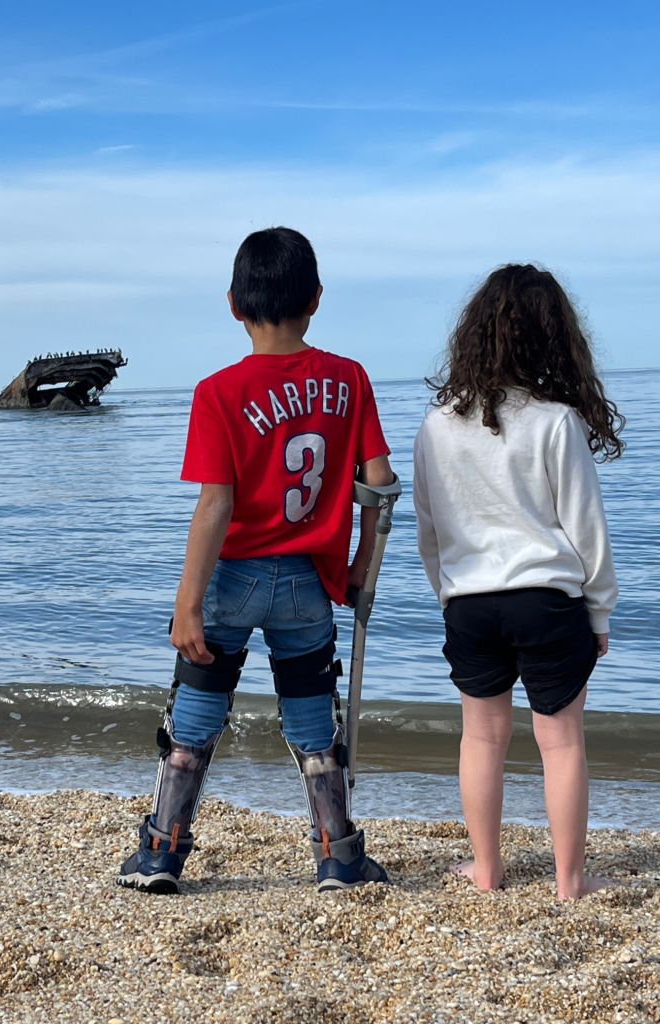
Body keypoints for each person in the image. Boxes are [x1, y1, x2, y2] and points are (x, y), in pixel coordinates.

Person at [119, 227, 395, 894]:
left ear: (233, 304)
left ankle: (161, 852)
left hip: (232, 579)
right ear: (317, 299)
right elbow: (378, 484)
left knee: (193, 722)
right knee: (312, 727)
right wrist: (360, 565)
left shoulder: (219, 392)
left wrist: (187, 603)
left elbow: (216, 505)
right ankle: (338, 856)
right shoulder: (348, 379)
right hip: (307, 579)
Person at [413, 264, 625, 900]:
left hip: (469, 602)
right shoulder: (555, 421)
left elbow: (431, 528)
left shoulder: (436, 425)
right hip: (545, 599)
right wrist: (600, 611)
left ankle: (487, 870)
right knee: (559, 743)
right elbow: (586, 528)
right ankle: (568, 881)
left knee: (481, 736)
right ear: (551, 337)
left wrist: (448, 591)